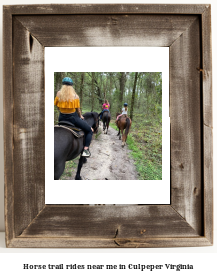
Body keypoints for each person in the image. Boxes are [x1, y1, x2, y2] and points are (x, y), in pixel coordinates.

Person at [54, 77, 93, 157]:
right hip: (73, 118)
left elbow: (57, 107)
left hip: (61, 118)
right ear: (71, 86)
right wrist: (81, 116)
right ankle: (85, 150)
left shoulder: (58, 94)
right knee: (89, 130)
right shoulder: (75, 96)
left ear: (63, 85)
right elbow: (78, 111)